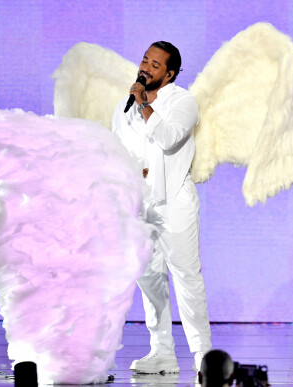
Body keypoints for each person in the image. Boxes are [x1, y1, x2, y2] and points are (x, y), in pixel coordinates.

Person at [111, 41, 212, 373]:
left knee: (186, 277)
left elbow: (169, 138)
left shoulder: (183, 102)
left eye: (155, 65)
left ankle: (203, 356)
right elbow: (117, 150)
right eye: (144, 60)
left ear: (169, 73)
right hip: (139, 205)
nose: (146, 67)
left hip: (174, 204)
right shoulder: (123, 107)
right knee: (149, 277)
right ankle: (162, 352)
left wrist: (144, 105)